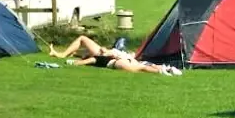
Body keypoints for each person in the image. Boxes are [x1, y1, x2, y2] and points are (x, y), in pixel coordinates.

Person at [48, 36, 182, 76]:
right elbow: (89, 58)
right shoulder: (105, 55)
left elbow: (91, 59)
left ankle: (164, 70)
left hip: (113, 57)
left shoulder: (99, 57)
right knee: (142, 66)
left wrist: (74, 62)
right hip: (117, 57)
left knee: (141, 66)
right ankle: (165, 69)